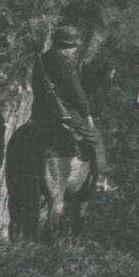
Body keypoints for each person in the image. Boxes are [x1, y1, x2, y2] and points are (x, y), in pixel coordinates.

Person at [31, 22, 106, 192]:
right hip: (62, 112)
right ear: (67, 47)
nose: (74, 52)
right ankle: (98, 181)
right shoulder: (64, 64)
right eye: (73, 48)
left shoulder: (42, 60)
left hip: (39, 111)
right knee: (95, 139)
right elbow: (76, 91)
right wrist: (87, 113)